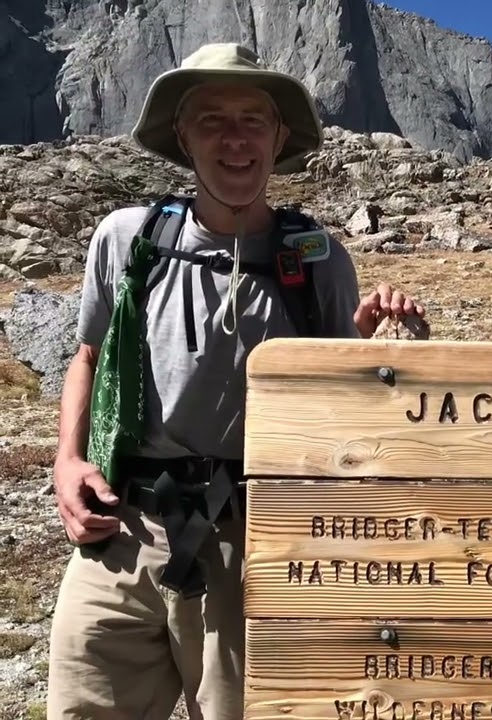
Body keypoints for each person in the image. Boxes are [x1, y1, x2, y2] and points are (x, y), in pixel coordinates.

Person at [44, 42, 424, 719]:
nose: (236, 137)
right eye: (213, 118)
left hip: (252, 544)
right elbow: (88, 357)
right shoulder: (126, 239)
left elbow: (339, 408)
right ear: (182, 136)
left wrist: (368, 344)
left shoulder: (319, 261)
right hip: (120, 532)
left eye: (253, 119)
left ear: (279, 139)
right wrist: (68, 462)